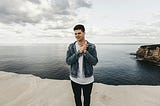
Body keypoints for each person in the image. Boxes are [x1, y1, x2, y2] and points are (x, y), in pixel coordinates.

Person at [66, 24, 98, 106]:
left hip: (88, 80)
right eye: (75, 33)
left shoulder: (91, 47)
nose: (77, 35)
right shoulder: (71, 47)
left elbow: (94, 62)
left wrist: (85, 52)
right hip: (74, 79)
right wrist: (79, 52)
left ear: (84, 33)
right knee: (77, 98)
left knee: (87, 99)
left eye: (79, 33)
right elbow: (68, 61)